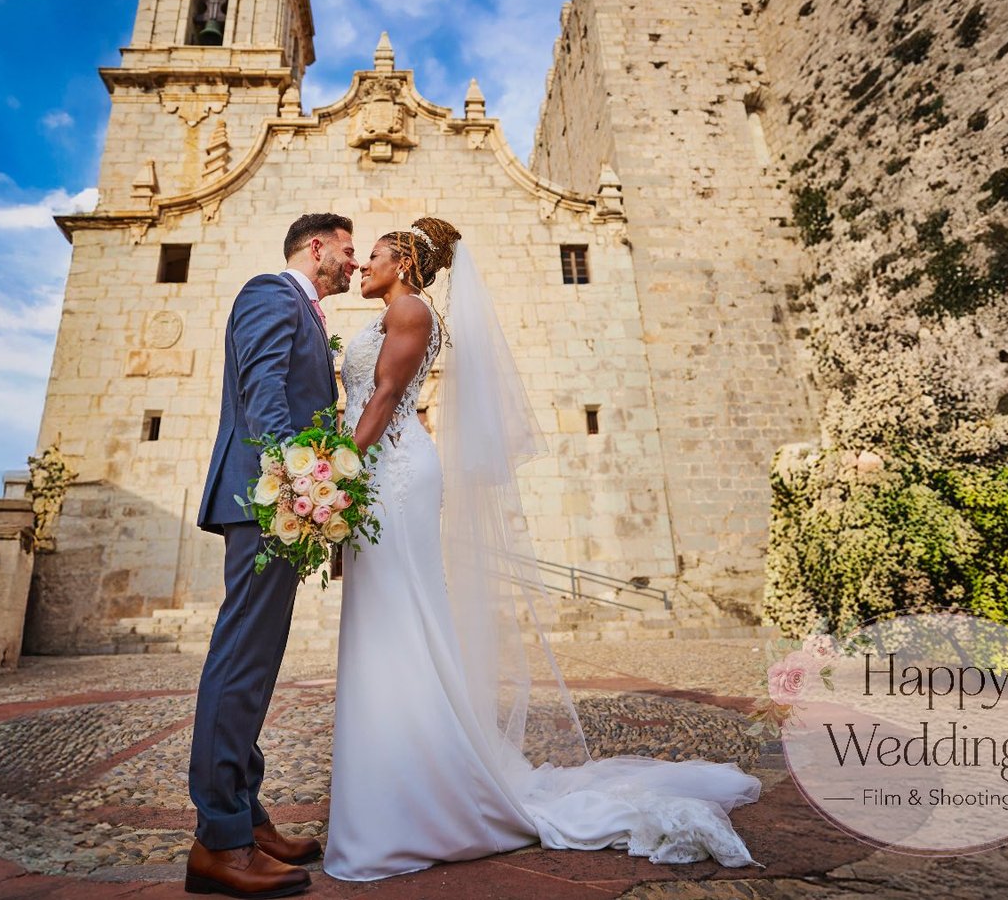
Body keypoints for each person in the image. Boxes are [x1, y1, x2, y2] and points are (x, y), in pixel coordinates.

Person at [325, 217, 762, 881]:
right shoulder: (399, 309)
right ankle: (399, 773)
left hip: (390, 470)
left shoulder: (412, 308)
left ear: (407, 261)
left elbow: (385, 396)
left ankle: (419, 788)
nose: (363, 266)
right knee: (387, 618)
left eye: (376, 256)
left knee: (399, 617)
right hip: (377, 471)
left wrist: (329, 479)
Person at [188, 213, 358, 898]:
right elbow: (263, 396)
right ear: (315, 247)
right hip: (267, 501)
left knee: (255, 667)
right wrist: (301, 487)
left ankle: (247, 816)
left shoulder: (308, 313)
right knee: (239, 661)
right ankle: (218, 842)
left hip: (280, 502)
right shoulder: (270, 292)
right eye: (347, 250)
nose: (351, 262)